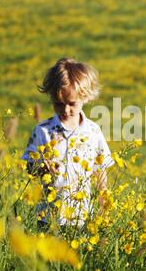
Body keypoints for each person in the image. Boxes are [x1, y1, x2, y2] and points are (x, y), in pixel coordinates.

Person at [21, 57, 114, 232]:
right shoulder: (43, 131)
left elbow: (100, 171)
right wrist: (40, 166)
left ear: (85, 97)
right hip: (48, 217)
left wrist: (104, 206)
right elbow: (29, 166)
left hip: (82, 217)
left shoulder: (93, 132)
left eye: (72, 104)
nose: (65, 110)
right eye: (58, 104)